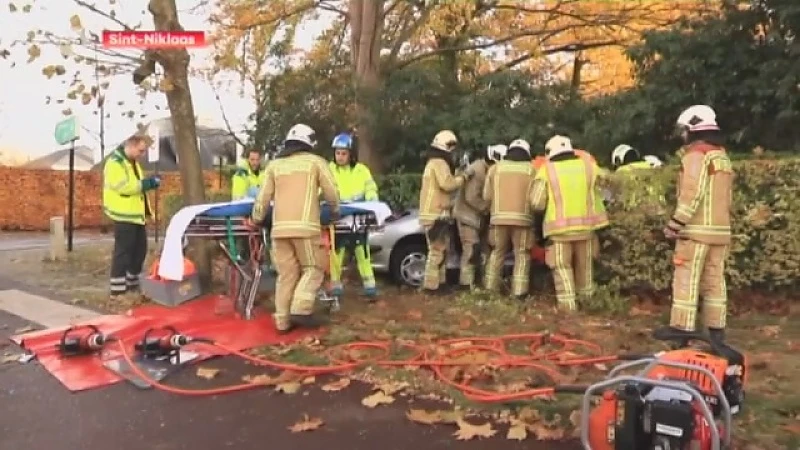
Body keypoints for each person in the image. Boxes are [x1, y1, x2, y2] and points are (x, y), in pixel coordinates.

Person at [250, 124, 340, 333]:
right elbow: (332, 192)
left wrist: (256, 218)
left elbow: (262, 198)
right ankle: (300, 308)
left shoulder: (274, 166)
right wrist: (335, 210)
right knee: (314, 268)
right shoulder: (316, 163)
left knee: (286, 275)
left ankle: (282, 321)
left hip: (279, 230)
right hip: (306, 228)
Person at [655, 105, 733, 345]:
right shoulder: (722, 156)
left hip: (695, 232)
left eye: (684, 130)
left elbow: (691, 194)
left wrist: (674, 225)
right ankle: (716, 333)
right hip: (720, 232)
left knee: (686, 280)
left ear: (692, 129)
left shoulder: (695, 156)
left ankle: (681, 332)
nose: (682, 135)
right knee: (714, 282)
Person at [530, 135, 609, 311]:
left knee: (561, 266)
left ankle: (568, 307)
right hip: (587, 228)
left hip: (559, 232)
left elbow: (536, 203)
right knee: (585, 267)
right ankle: (588, 303)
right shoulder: (588, 166)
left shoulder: (546, 170)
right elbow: (607, 187)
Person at [103, 134, 160, 298]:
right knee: (123, 252)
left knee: (139, 251)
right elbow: (126, 187)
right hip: (123, 214)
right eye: (140, 151)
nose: (142, 154)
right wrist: (148, 184)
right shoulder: (115, 163)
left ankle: (132, 283)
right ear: (131, 145)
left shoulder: (131, 163)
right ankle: (118, 290)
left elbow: (137, 188)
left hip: (135, 215)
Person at [418, 130, 473, 295]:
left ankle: (439, 284)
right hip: (436, 213)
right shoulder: (439, 163)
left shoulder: (433, 163)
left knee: (441, 250)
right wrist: (464, 177)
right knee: (437, 251)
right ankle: (431, 287)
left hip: (433, 212)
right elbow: (447, 184)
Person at [327, 132, 379, 299]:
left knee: (362, 251)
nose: (340, 157)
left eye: (344, 153)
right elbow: (321, 188)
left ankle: (370, 286)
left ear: (351, 154)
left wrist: (372, 199)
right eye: (337, 153)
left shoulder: (361, 170)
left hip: (357, 216)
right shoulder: (329, 169)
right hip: (338, 217)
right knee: (336, 252)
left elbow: (370, 187)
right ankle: (335, 285)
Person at [483, 139, 536, 299]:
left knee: (497, 253)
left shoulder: (495, 169)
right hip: (523, 220)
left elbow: (486, 196)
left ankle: (490, 289)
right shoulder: (532, 170)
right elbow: (537, 198)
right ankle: (519, 292)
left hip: (498, 220)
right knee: (522, 255)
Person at [452, 144, 505, 289]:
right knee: (471, 249)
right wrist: (488, 208)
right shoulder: (477, 170)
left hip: (478, 218)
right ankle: (466, 284)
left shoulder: (486, 169)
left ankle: (482, 283)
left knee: (484, 250)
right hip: (467, 217)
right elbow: (471, 197)